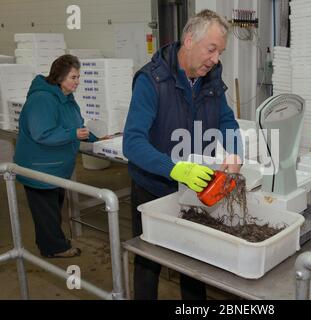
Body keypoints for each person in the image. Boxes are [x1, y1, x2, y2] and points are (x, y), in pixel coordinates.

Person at [123, 9, 242, 300]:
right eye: (211, 49)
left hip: (194, 187)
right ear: (189, 40)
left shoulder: (211, 77)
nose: (216, 59)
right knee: (149, 260)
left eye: (220, 52)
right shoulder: (151, 81)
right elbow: (132, 143)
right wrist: (174, 169)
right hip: (153, 186)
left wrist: (235, 151)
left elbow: (226, 120)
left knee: (193, 258)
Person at [14, 54, 98, 258]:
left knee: (51, 210)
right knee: (46, 212)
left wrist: (98, 139)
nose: (77, 82)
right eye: (73, 77)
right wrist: (73, 134)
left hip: (56, 167)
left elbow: (76, 125)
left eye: (78, 77)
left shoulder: (66, 97)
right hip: (40, 167)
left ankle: (49, 242)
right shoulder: (42, 99)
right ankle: (55, 248)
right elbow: (42, 133)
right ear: (60, 77)